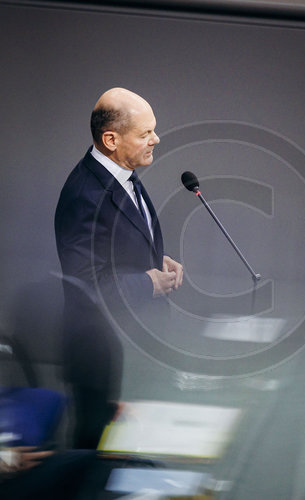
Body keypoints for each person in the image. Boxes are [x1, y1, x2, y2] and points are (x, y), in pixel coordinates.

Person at [54, 88, 183, 448]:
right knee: (99, 466)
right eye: (145, 133)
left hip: (137, 352)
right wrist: (148, 283)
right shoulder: (83, 195)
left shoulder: (120, 172)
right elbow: (85, 286)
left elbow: (119, 245)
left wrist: (156, 261)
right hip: (105, 361)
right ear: (111, 139)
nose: (156, 139)